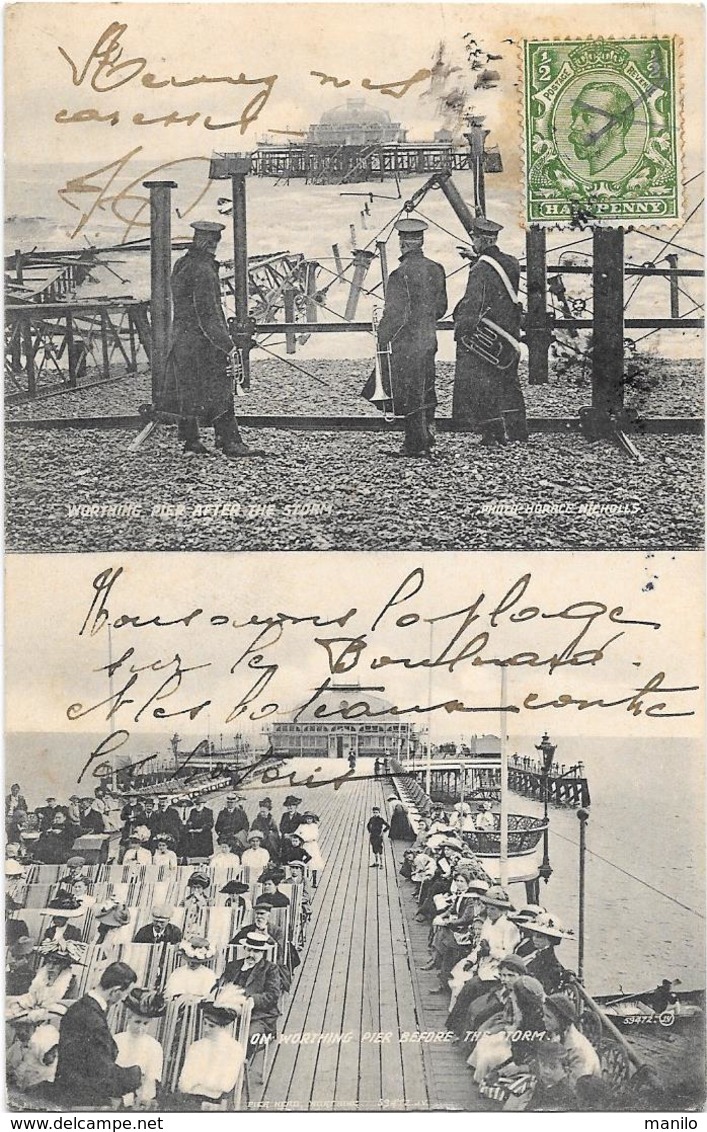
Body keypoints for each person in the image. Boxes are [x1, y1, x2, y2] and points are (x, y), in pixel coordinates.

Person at [160, 219, 263, 458]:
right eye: (214, 243)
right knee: (222, 389)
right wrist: (228, 346)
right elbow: (208, 313)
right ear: (209, 243)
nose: (215, 247)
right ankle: (230, 442)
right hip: (202, 342)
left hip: (182, 339)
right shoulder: (204, 270)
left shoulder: (182, 264)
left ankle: (191, 441)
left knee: (188, 389)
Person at [367, 216, 447, 457]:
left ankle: (415, 444)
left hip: (406, 342)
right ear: (420, 242)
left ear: (403, 244)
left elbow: (394, 314)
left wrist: (382, 337)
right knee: (426, 387)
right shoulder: (436, 268)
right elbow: (441, 308)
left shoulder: (398, 275)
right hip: (428, 339)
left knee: (409, 390)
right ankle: (428, 436)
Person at [452, 216, 528, 446]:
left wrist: (461, 329)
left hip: (487, 335)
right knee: (509, 381)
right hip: (509, 332)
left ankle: (493, 435)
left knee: (483, 382)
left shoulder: (480, 269)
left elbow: (474, 303)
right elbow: (499, 276)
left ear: (480, 240)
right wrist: (479, 258)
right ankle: (518, 431)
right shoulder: (512, 262)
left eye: (474, 238)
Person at [53, 961, 141, 1108]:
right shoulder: (93, 1019)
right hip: (81, 1100)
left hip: (69, 1089)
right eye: (124, 994)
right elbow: (101, 1072)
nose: (123, 999)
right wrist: (135, 1076)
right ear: (115, 991)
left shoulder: (81, 1007)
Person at [215, 931, 281, 1056]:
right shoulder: (233, 966)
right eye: (249, 950)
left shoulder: (270, 969)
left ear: (262, 952)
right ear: (245, 948)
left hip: (258, 1016)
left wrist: (253, 1000)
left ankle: (240, 1065)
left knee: (248, 1037)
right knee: (212, 1034)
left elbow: (273, 995)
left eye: (256, 951)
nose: (251, 954)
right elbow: (220, 985)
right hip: (229, 1012)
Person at [176, 1002, 244, 1109]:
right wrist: (206, 1080)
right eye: (204, 1023)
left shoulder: (234, 1049)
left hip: (215, 1100)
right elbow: (183, 1084)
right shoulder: (197, 1046)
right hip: (191, 1098)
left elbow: (225, 1085)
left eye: (212, 1026)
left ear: (224, 1028)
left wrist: (197, 1080)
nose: (206, 1029)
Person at [114, 988, 166, 1109]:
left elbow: (151, 1080)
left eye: (145, 1023)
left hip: (139, 1101)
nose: (141, 1028)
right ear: (129, 1018)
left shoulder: (154, 1046)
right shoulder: (116, 1040)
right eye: (137, 1022)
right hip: (115, 1098)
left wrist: (142, 1099)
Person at [249, 797, 281, 862]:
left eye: (264, 812)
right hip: (259, 839)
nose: (262, 814)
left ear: (268, 811)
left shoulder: (272, 821)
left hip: (269, 840)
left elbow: (275, 832)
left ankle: (273, 859)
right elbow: (252, 831)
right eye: (261, 812)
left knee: (271, 839)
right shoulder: (256, 821)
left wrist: (270, 833)